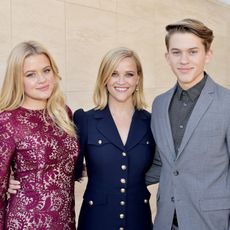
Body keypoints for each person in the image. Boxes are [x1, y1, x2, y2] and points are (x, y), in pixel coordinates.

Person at [146, 18, 230, 230]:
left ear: (207, 55)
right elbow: (162, 163)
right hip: (166, 221)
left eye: (192, 52)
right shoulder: (159, 104)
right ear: (167, 57)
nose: (184, 60)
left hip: (211, 223)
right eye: (176, 52)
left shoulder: (227, 102)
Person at [0, 41, 79, 229]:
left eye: (46, 70)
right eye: (30, 74)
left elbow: (65, 164)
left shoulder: (63, 112)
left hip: (64, 220)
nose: (42, 80)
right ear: (17, 80)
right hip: (26, 221)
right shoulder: (8, 120)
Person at [74, 47, 155, 229]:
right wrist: (14, 179)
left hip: (138, 220)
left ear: (137, 79)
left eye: (129, 74)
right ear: (104, 78)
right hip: (96, 221)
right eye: (114, 73)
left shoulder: (151, 122)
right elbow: (65, 167)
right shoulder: (85, 120)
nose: (121, 81)